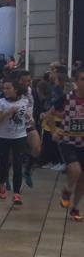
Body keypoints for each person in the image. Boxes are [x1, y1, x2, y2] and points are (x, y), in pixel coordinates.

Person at [0, 78, 32, 205]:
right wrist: (9, 111)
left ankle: (16, 193)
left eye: (8, 88)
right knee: (4, 162)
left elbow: (26, 114)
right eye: (3, 88)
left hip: (19, 136)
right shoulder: (0, 102)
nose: (5, 90)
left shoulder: (24, 101)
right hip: (3, 137)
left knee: (18, 163)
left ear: (15, 89)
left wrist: (29, 118)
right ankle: (2, 183)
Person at [55, 66, 84, 221]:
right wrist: (55, 130)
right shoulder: (67, 98)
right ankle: (66, 190)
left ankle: (75, 207)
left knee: (82, 179)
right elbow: (48, 114)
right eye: (82, 79)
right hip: (68, 142)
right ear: (76, 81)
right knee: (75, 170)